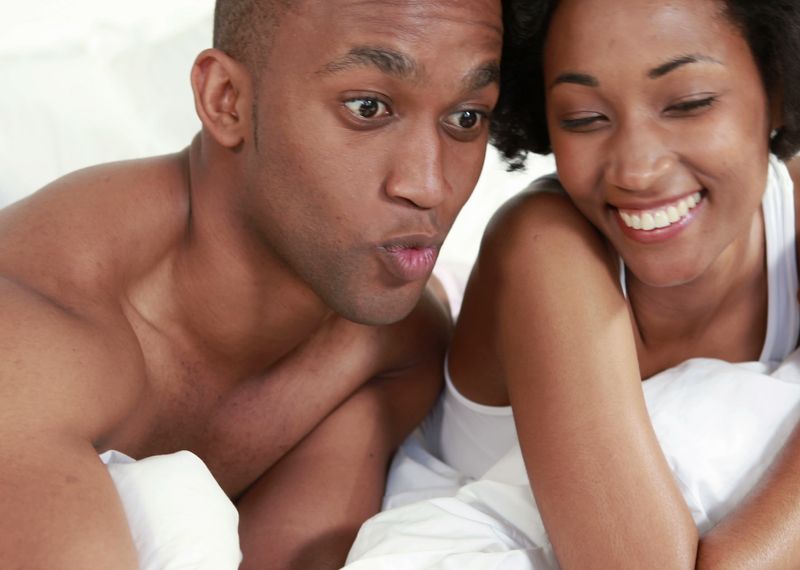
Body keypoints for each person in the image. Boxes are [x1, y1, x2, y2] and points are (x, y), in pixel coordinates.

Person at [427, 0, 800, 567]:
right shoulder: (543, 244)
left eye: (689, 104)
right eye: (582, 117)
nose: (636, 170)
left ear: (779, 89)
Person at [0, 0, 502, 568]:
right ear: (226, 100)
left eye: (466, 118)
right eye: (368, 107)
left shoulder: (392, 346)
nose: (429, 185)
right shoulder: (29, 340)